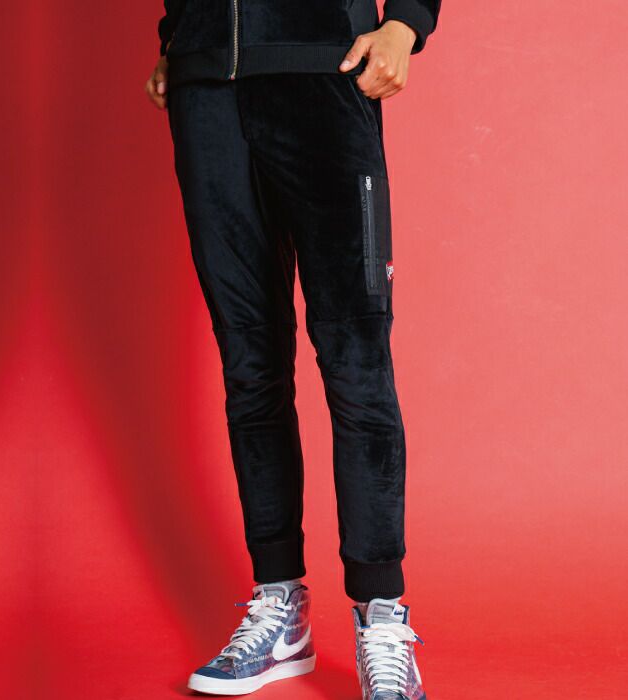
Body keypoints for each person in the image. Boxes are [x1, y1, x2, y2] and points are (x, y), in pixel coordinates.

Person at [145, 1, 440, 697]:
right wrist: (179, 37)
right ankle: (280, 605)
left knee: (355, 358)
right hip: (207, 90)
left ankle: (380, 614)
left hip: (323, 77)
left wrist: (404, 22)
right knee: (250, 364)